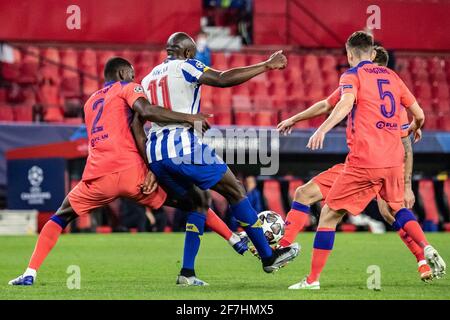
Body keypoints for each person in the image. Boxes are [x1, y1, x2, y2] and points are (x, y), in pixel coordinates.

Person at [8, 57, 216, 286]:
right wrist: (186, 121)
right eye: (131, 73)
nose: (134, 77)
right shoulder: (128, 88)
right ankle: (229, 243)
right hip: (131, 172)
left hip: (98, 175)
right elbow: (144, 113)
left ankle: (30, 272)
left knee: (61, 215)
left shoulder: (90, 102)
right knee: (196, 201)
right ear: (122, 73)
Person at [136, 32, 299, 286]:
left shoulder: (146, 79)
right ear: (189, 52)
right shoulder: (187, 65)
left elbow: (138, 122)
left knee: (198, 202)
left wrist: (148, 164)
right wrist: (266, 65)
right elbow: (222, 79)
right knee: (235, 188)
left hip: (156, 153)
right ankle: (269, 257)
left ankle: (187, 274)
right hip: (182, 146)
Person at [288, 31, 445, 290]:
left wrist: (322, 130)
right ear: (372, 54)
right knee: (394, 209)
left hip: (364, 161)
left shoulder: (352, 77)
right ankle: (425, 249)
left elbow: (344, 104)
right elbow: (419, 115)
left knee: (327, 214)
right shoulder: (393, 78)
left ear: (350, 54)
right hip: (393, 159)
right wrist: (415, 126)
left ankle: (312, 280)